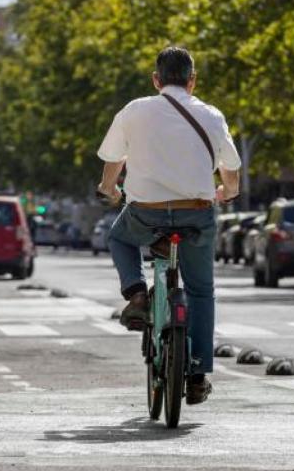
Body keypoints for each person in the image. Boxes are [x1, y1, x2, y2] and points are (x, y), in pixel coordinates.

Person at [97, 46, 241, 405]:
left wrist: (109, 189)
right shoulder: (211, 114)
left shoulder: (135, 110)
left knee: (119, 238)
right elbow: (231, 168)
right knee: (201, 291)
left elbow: (114, 160)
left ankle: (137, 294)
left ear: (156, 80)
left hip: (146, 213)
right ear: (192, 82)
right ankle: (197, 374)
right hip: (196, 213)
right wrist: (228, 191)